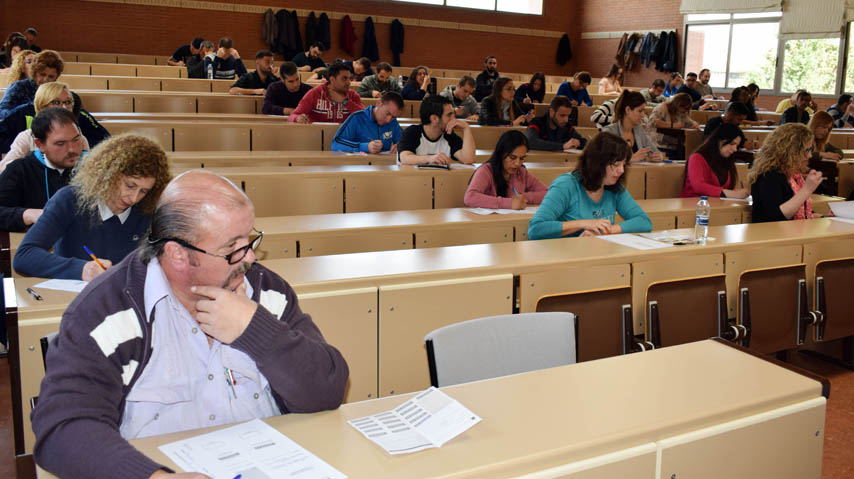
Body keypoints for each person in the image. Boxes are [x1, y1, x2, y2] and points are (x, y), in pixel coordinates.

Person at [31, 169, 349, 479]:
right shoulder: (107, 309)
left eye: (250, 239)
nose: (250, 257)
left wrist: (257, 330)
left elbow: (328, 390)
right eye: (233, 247)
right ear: (178, 254)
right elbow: (62, 428)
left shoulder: (266, 290)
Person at [14, 134, 171, 280]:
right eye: (130, 186)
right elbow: (24, 256)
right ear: (109, 174)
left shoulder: (148, 208)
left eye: (144, 191)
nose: (134, 197)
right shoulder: (69, 200)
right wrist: (83, 269)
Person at [528, 132, 652, 239]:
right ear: (597, 163)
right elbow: (536, 229)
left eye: (623, 164)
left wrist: (605, 231)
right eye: (616, 164)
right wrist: (584, 224)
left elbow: (644, 222)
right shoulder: (565, 185)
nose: (621, 170)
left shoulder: (615, 187)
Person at [0, 107, 82, 232]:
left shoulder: (91, 168)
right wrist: (27, 214)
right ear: (40, 145)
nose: (72, 149)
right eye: (60, 143)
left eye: (76, 140)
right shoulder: (19, 170)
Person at [0, 81, 90, 164]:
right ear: (42, 107)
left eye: (68, 102)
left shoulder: (80, 139)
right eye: (56, 102)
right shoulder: (27, 138)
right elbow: (5, 168)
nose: (64, 107)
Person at [748, 123, 822, 223]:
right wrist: (807, 190)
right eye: (806, 150)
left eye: (811, 150)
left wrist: (821, 216)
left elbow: (799, 209)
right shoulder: (768, 175)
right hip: (770, 234)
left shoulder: (793, 174)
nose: (809, 155)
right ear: (791, 151)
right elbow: (775, 216)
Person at [464, 130, 547, 209]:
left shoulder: (521, 172)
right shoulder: (486, 171)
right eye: (512, 157)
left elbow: (548, 193)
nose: (517, 163)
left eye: (522, 158)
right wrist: (509, 203)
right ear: (501, 154)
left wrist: (523, 197)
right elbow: (470, 198)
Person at [398, 95, 475, 165]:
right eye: (449, 115)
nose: (454, 119)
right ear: (434, 119)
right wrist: (430, 158)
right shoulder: (412, 132)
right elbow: (405, 158)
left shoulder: (449, 135)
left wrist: (466, 128)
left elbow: (468, 159)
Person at [680, 123, 748, 199]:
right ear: (719, 140)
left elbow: (726, 189)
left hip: (716, 206)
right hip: (691, 205)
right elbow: (698, 186)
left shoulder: (727, 160)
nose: (735, 149)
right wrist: (730, 193)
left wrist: (737, 192)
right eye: (732, 143)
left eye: (737, 146)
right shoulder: (696, 158)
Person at [289, 61, 365, 124]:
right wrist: (297, 118)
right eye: (344, 78)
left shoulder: (352, 95)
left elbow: (365, 117)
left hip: (344, 139)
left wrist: (346, 102)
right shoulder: (314, 93)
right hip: (316, 138)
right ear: (332, 79)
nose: (349, 82)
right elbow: (293, 116)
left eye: (349, 78)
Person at [331, 91, 403, 153]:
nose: (388, 120)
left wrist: (400, 146)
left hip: (383, 165)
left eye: (393, 117)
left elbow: (403, 141)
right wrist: (365, 147)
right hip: (359, 165)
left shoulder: (393, 122)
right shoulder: (357, 118)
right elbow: (336, 144)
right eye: (387, 113)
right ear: (378, 103)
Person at [0, 49, 64, 119]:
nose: (46, 80)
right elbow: (2, 111)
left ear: (56, 77)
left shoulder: (59, 91)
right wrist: (27, 109)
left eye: (51, 76)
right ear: (35, 72)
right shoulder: (18, 87)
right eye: (42, 74)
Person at [601, 90, 661, 163]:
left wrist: (656, 156)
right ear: (628, 110)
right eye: (640, 111)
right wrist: (630, 158)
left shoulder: (638, 129)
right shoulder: (609, 131)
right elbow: (604, 160)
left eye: (643, 111)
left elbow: (655, 151)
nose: (643, 115)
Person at [645, 92, 700, 161]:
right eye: (684, 108)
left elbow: (689, 121)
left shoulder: (681, 112)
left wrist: (694, 125)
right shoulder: (662, 107)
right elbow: (652, 122)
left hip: (674, 143)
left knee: (688, 152)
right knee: (681, 154)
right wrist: (673, 125)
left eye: (687, 109)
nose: (685, 110)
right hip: (658, 143)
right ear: (678, 104)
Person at [807, 111, 843, 196]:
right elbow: (803, 155)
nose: (826, 131)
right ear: (815, 124)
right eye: (824, 127)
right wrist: (823, 154)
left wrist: (836, 155)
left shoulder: (821, 141)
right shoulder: (804, 137)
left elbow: (839, 151)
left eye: (828, 129)